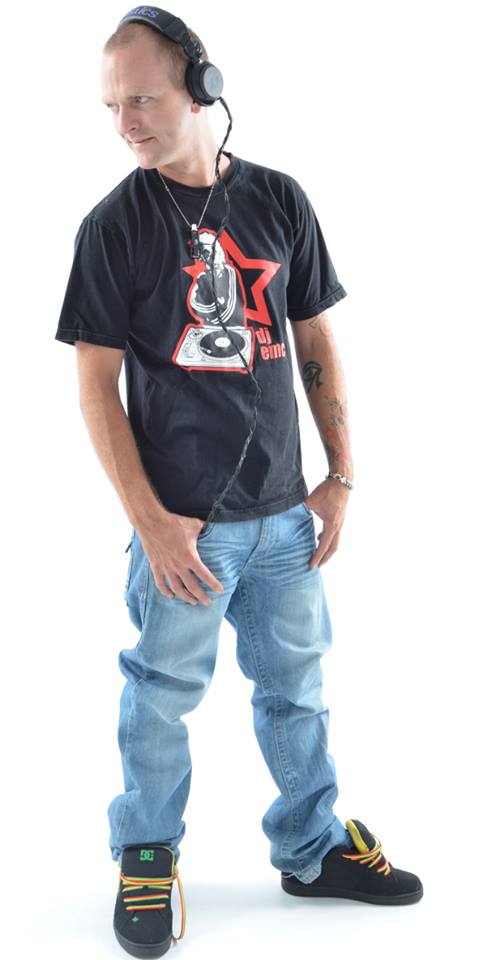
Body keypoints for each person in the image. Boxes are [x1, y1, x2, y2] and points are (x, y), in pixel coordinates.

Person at [54, 7, 423, 958]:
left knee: (297, 690)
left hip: (285, 519)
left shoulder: (279, 199)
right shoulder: (113, 226)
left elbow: (315, 336)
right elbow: (95, 388)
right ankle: (146, 852)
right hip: (184, 527)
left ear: (201, 87)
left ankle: (312, 848)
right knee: (160, 697)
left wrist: (341, 475)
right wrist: (150, 521)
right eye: (111, 105)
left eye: (141, 99)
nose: (125, 122)